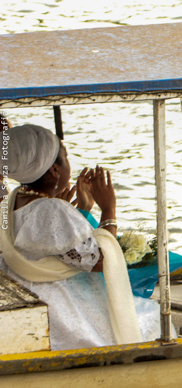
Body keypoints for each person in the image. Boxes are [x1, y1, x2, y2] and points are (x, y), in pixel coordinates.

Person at [0, 125, 160, 350]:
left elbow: (52, 240)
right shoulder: (52, 209)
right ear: (55, 170)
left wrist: (83, 207)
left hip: (31, 298)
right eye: (65, 158)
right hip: (61, 309)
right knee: (153, 319)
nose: (68, 163)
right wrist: (108, 209)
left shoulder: (12, 202)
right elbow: (99, 261)